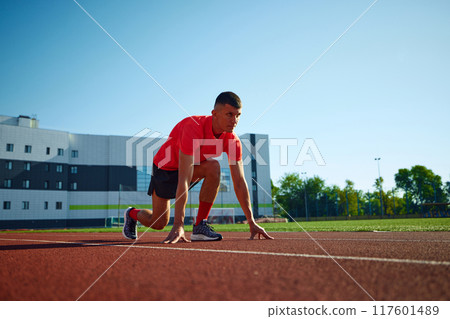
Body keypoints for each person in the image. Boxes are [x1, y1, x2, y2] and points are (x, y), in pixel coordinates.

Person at [122, 91, 274, 243]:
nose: (234, 120)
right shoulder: (192, 128)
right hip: (165, 168)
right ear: (214, 113)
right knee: (159, 222)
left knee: (213, 167)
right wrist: (178, 225)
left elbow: (240, 182)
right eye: (229, 114)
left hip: (190, 168)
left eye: (238, 115)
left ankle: (200, 226)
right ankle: (132, 214)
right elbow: (184, 179)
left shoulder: (232, 141)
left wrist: (251, 221)